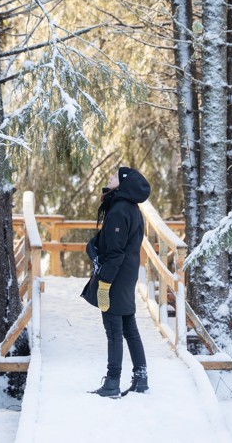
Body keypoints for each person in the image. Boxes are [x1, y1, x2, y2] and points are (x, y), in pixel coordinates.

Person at [84, 166, 151, 399]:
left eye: (114, 176)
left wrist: (104, 283)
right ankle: (141, 378)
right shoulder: (131, 208)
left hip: (116, 278)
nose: (110, 177)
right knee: (129, 329)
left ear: (122, 184)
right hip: (126, 275)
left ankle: (112, 382)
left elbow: (115, 253)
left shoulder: (119, 210)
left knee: (114, 331)